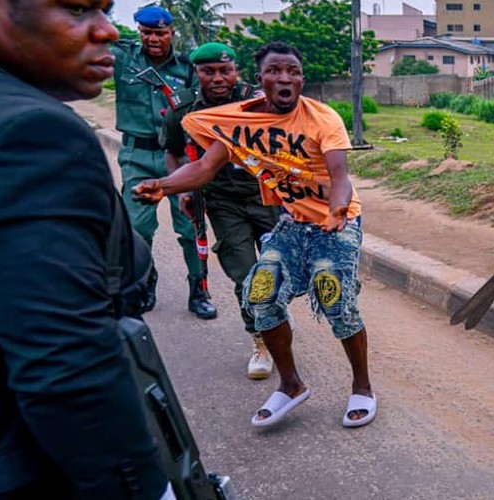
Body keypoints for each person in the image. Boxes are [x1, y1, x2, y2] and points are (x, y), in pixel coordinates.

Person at [133, 42, 377, 429]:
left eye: (293, 71)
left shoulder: (322, 117)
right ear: (260, 78)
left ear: (302, 79)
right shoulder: (240, 122)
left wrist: (336, 211)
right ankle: (291, 385)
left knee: (333, 295)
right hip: (292, 222)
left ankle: (362, 387)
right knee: (260, 294)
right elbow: (204, 168)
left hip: (338, 222)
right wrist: (163, 186)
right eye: (275, 71)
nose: (285, 78)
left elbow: (340, 177)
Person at [0, 0, 172, 498]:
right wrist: (147, 489)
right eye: (77, 9)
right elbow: (64, 363)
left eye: (105, 11)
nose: (107, 31)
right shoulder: (31, 132)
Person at [160, 42, 278, 380]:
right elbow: (172, 153)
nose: (217, 78)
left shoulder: (257, 101)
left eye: (225, 71)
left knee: (276, 270)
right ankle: (261, 340)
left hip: (266, 196)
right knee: (246, 275)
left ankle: (275, 317)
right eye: (208, 71)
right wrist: (182, 188)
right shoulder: (183, 108)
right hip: (221, 201)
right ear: (196, 73)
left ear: (236, 71)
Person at [111, 5, 217, 319]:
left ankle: (199, 289)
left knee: (191, 225)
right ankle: (145, 280)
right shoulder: (124, 59)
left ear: (171, 32)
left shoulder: (187, 67)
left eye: (160, 33)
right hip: (138, 156)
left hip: (181, 156)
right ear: (139, 32)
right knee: (137, 228)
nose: (153, 39)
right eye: (147, 33)